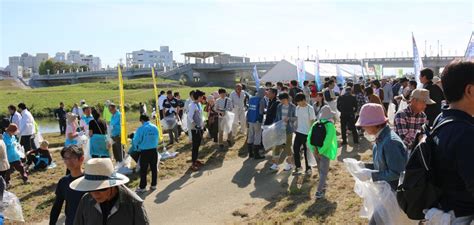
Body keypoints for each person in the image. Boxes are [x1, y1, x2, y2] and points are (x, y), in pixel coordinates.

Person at [431, 60, 474, 222]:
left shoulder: (442, 118)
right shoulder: (465, 133)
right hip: (463, 216)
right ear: (469, 90)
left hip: (446, 210)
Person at [71, 158, 149, 225]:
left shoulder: (133, 204)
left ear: (112, 185)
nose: (95, 194)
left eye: (100, 188)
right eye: (90, 188)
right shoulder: (86, 200)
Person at [354, 103, 407, 191]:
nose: (363, 127)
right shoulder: (380, 138)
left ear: (375, 124)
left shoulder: (390, 142)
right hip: (386, 189)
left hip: (394, 192)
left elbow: (396, 173)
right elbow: (383, 165)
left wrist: (371, 176)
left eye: (365, 124)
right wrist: (365, 166)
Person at [50, 145, 86, 225]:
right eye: (65, 158)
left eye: (72, 158)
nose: (68, 161)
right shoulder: (63, 182)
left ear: (81, 159)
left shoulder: (90, 180)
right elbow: (57, 206)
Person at [307, 106, 338, 199]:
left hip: (315, 151)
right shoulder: (330, 125)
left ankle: (323, 184)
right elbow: (328, 141)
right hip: (324, 152)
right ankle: (319, 191)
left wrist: (314, 150)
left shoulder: (316, 123)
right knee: (324, 172)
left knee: (320, 169)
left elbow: (309, 138)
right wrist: (321, 151)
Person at [133, 114, 159, 193]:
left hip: (145, 151)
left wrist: (136, 147)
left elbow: (136, 140)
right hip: (154, 150)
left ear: (142, 120)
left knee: (143, 170)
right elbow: (157, 138)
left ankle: (142, 187)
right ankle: (154, 185)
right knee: (154, 168)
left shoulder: (141, 129)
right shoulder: (155, 127)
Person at [271, 92, 296, 172]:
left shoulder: (293, 107)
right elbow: (277, 118)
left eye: (282, 100)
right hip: (279, 129)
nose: (281, 101)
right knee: (277, 146)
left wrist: (289, 119)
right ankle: (275, 165)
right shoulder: (279, 106)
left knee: (288, 147)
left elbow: (296, 118)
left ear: (286, 99)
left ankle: (290, 164)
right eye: (280, 100)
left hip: (288, 130)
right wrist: (274, 126)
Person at [293, 93, 316, 175]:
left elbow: (312, 121)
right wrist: (295, 128)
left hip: (307, 133)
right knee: (295, 149)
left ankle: (308, 168)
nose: (298, 104)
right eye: (297, 102)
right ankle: (298, 167)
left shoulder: (310, 108)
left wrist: (311, 133)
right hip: (298, 132)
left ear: (303, 100)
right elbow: (297, 119)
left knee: (307, 152)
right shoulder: (297, 108)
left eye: (299, 102)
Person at [188, 90, 206, 171]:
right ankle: (193, 163)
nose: (202, 98)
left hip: (200, 127)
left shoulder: (199, 104)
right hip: (195, 129)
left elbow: (201, 115)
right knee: (195, 146)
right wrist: (195, 125)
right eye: (201, 96)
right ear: (198, 97)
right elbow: (189, 117)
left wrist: (202, 125)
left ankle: (195, 160)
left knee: (198, 145)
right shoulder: (192, 105)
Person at [246, 89, 266, 159]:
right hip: (257, 120)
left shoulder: (251, 98)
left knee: (250, 135)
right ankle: (256, 155)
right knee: (257, 136)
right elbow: (261, 112)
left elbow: (249, 109)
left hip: (250, 119)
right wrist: (265, 112)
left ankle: (250, 153)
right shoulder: (261, 100)